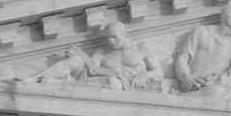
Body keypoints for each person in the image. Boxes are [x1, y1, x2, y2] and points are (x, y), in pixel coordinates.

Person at [25, 21, 163, 91]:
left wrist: (146, 74)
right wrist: (79, 54)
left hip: (124, 85)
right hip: (103, 77)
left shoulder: (140, 48)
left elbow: (159, 71)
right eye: (108, 38)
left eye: (114, 37)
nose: (111, 41)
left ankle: (60, 84)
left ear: (125, 34)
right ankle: (35, 78)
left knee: (112, 82)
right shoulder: (102, 50)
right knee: (75, 61)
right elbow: (93, 68)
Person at [174, 5, 231, 100]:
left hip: (218, 84)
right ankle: (190, 96)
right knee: (216, 91)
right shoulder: (201, 32)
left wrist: (225, 77)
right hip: (197, 84)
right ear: (230, 20)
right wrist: (185, 77)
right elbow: (182, 58)